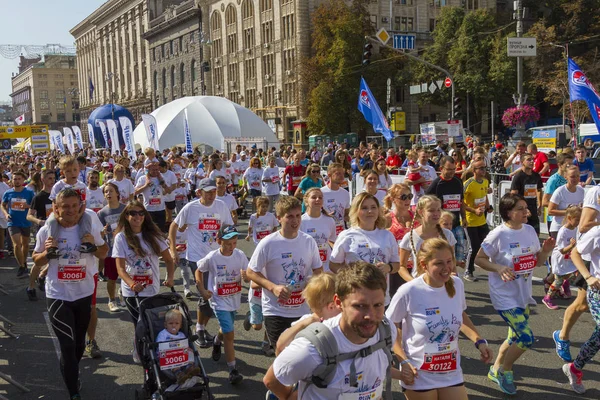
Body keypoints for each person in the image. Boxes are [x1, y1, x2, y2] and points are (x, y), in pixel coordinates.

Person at [264, 262, 399, 399]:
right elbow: (272, 380)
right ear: (338, 302)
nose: (370, 316)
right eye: (360, 306)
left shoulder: (386, 331)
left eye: (378, 305)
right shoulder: (312, 348)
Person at [386, 238, 493, 398]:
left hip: (450, 370)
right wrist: (402, 360)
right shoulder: (409, 291)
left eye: (449, 261)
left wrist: (479, 341)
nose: (446, 268)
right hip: (418, 372)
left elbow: (460, 316)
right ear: (424, 265)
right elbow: (391, 326)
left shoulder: (457, 284)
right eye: (439, 263)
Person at [474, 193, 554, 395]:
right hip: (503, 296)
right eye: (520, 208)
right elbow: (479, 259)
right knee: (525, 338)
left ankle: (494, 369)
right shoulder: (498, 234)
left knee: (512, 337)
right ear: (508, 213)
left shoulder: (529, 231)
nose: (526, 212)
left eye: (526, 208)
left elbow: (537, 262)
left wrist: (545, 251)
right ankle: (505, 370)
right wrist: (499, 268)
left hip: (522, 294)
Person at [32, 188, 108, 400]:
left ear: (81, 207)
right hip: (58, 294)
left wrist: (92, 246)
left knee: (78, 345)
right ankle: (73, 391)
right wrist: (47, 253)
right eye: (65, 206)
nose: (70, 210)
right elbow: (37, 260)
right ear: (56, 208)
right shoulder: (48, 229)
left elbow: (104, 252)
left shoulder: (89, 226)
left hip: (83, 293)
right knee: (66, 345)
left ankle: (72, 373)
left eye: (75, 206)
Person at [246, 196, 323, 354]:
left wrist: (311, 285)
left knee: (303, 355)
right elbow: (251, 272)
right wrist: (273, 287)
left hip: (302, 309)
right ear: (279, 218)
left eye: (298, 216)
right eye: (289, 216)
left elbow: (318, 270)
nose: (295, 221)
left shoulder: (309, 241)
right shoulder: (268, 243)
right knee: (282, 355)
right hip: (276, 310)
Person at [169, 178, 234, 348]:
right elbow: (174, 226)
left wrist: (229, 248)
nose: (212, 194)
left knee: (214, 295)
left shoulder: (221, 206)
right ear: (199, 192)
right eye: (208, 191)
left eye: (214, 191)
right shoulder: (191, 208)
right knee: (206, 294)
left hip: (217, 257)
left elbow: (230, 228)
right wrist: (173, 250)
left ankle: (201, 328)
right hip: (197, 258)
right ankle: (199, 330)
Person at [113, 201, 175, 361]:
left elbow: (169, 259)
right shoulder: (121, 238)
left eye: (141, 213)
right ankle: (139, 348)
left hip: (151, 289)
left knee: (149, 322)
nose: (137, 216)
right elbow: (119, 268)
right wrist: (132, 283)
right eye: (133, 213)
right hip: (131, 291)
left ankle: (151, 349)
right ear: (126, 216)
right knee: (138, 323)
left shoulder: (153, 236)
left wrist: (170, 277)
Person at [553, 180, 600, 362]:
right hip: (589, 254)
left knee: (584, 305)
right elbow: (583, 226)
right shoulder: (595, 192)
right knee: (582, 304)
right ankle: (562, 336)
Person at [196, 225, 247, 384]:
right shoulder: (212, 257)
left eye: (234, 242)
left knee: (227, 329)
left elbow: (248, 273)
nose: (231, 246)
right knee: (230, 335)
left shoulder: (240, 255)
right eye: (227, 243)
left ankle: (217, 342)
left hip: (234, 299)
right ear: (219, 241)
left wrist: (246, 275)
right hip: (218, 300)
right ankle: (233, 370)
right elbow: (199, 270)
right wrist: (202, 289)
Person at [330, 192, 400, 306]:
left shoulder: (387, 235)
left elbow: (396, 265)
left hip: (381, 299)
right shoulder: (347, 235)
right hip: (355, 298)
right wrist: (351, 276)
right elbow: (333, 265)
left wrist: (388, 267)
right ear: (356, 211)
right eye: (364, 208)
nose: (370, 211)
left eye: (373, 207)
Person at [562, 220, 600, 393]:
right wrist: (588, 276)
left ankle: (575, 368)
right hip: (598, 291)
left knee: (598, 338)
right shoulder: (597, 232)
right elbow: (575, 253)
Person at [398, 195, 457, 282]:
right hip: (419, 285)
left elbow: (452, 262)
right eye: (431, 210)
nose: (436, 213)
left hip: (443, 284)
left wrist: (452, 277)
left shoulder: (448, 234)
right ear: (421, 212)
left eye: (438, 210)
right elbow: (401, 266)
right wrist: (413, 282)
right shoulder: (410, 236)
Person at [425, 156, 468, 272]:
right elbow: (425, 202)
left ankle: (454, 277)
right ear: (441, 168)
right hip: (442, 226)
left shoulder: (458, 181)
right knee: (444, 256)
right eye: (448, 169)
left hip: (456, 224)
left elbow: (461, 202)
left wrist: (464, 217)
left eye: (454, 169)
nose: (452, 172)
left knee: (457, 256)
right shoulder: (436, 183)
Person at [47, 156, 96, 258]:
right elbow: (54, 203)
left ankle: (86, 242)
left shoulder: (82, 186)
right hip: (61, 213)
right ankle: (53, 246)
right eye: (68, 171)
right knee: (51, 221)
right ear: (62, 172)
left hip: (78, 212)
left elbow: (84, 203)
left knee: (87, 217)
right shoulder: (58, 186)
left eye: (75, 170)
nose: (73, 173)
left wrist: (79, 215)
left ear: (79, 170)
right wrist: (58, 217)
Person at [26, 168, 56, 298]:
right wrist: (39, 221)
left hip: (56, 230)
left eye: (53, 178)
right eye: (49, 178)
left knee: (57, 258)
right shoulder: (38, 197)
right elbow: (29, 216)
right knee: (39, 262)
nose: (52, 181)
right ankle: (31, 286)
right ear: (42, 179)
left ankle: (43, 276)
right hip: (43, 232)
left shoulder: (58, 195)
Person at [544, 206, 581, 309]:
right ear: (569, 218)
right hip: (560, 258)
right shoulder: (563, 231)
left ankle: (561, 287)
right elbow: (561, 250)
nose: (578, 222)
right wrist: (571, 246)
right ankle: (547, 298)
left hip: (569, 257)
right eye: (577, 219)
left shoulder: (576, 228)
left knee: (571, 274)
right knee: (559, 280)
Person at [97, 183, 126, 312]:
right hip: (111, 250)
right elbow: (99, 233)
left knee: (128, 274)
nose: (108, 194)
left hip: (127, 249)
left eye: (111, 191)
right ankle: (112, 300)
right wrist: (103, 232)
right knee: (112, 278)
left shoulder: (126, 209)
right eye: (106, 192)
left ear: (117, 193)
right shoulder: (101, 213)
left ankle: (124, 294)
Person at [383, 183, 416, 297]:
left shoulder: (417, 217)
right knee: (396, 299)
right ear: (393, 199)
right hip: (396, 268)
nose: (407, 200)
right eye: (403, 197)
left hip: (415, 266)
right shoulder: (387, 219)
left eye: (410, 196)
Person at [2, 171, 35, 278]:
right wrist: (6, 214)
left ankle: (24, 262)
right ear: (12, 180)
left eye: (19, 179)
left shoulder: (29, 192)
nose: (17, 181)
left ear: (23, 180)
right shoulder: (8, 193)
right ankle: (21, 266)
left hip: (25, 221)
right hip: (13, 221)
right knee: (16, 244)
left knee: (25, 245)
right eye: (15, 179)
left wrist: (28, 206)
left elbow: (34, 207)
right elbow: (2, 205)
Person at [463, 160, 491, 282]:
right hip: (470, 221)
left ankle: (481, 263)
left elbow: (484, 197)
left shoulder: (485, 181)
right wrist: (473, 211)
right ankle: (468, 271)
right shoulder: (468, 183)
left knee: (488, 243)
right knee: (474, 247)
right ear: (474, 171)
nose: (483, 170)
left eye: (484, 168)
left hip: (482, 220)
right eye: (480, 168)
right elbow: (460, 202)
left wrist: (488, 206)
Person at [300, 188, 337, 272]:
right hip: (308, 268)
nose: (317, 199)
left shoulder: (330, 220)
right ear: (306, 201)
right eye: (314, 197)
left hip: (326, 267)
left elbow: (332, 241)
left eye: (320, 197)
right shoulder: (301, 221)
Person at [510, 153, 543, 234]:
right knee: (523, 235)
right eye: (529, 160)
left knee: (535, 234)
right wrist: (522, 208)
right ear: (522, 162)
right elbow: (514, 195)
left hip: (533, 210)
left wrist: (540, 204)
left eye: (533, 160)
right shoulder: (518, 176)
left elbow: (539, 190)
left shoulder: (536, 176)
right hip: (522, 212)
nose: (532, 162)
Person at [320, 163, 351, 239]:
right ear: (329, 175)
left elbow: (346, 214)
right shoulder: (321, 193)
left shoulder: (345, 193)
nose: (342, 176)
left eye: (343, 173)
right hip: (325, 233)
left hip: (340, 234)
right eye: (338, 173)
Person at [159, 160, 179, 226]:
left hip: (170, 197)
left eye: (160, 167)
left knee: (169, 214)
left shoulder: (171, 174)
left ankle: (169, 226)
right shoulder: (157, 174)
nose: (158, 169)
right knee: (163, 213)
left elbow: (174, 185)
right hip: (160, 198)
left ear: (164, 167)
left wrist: (167, 191)